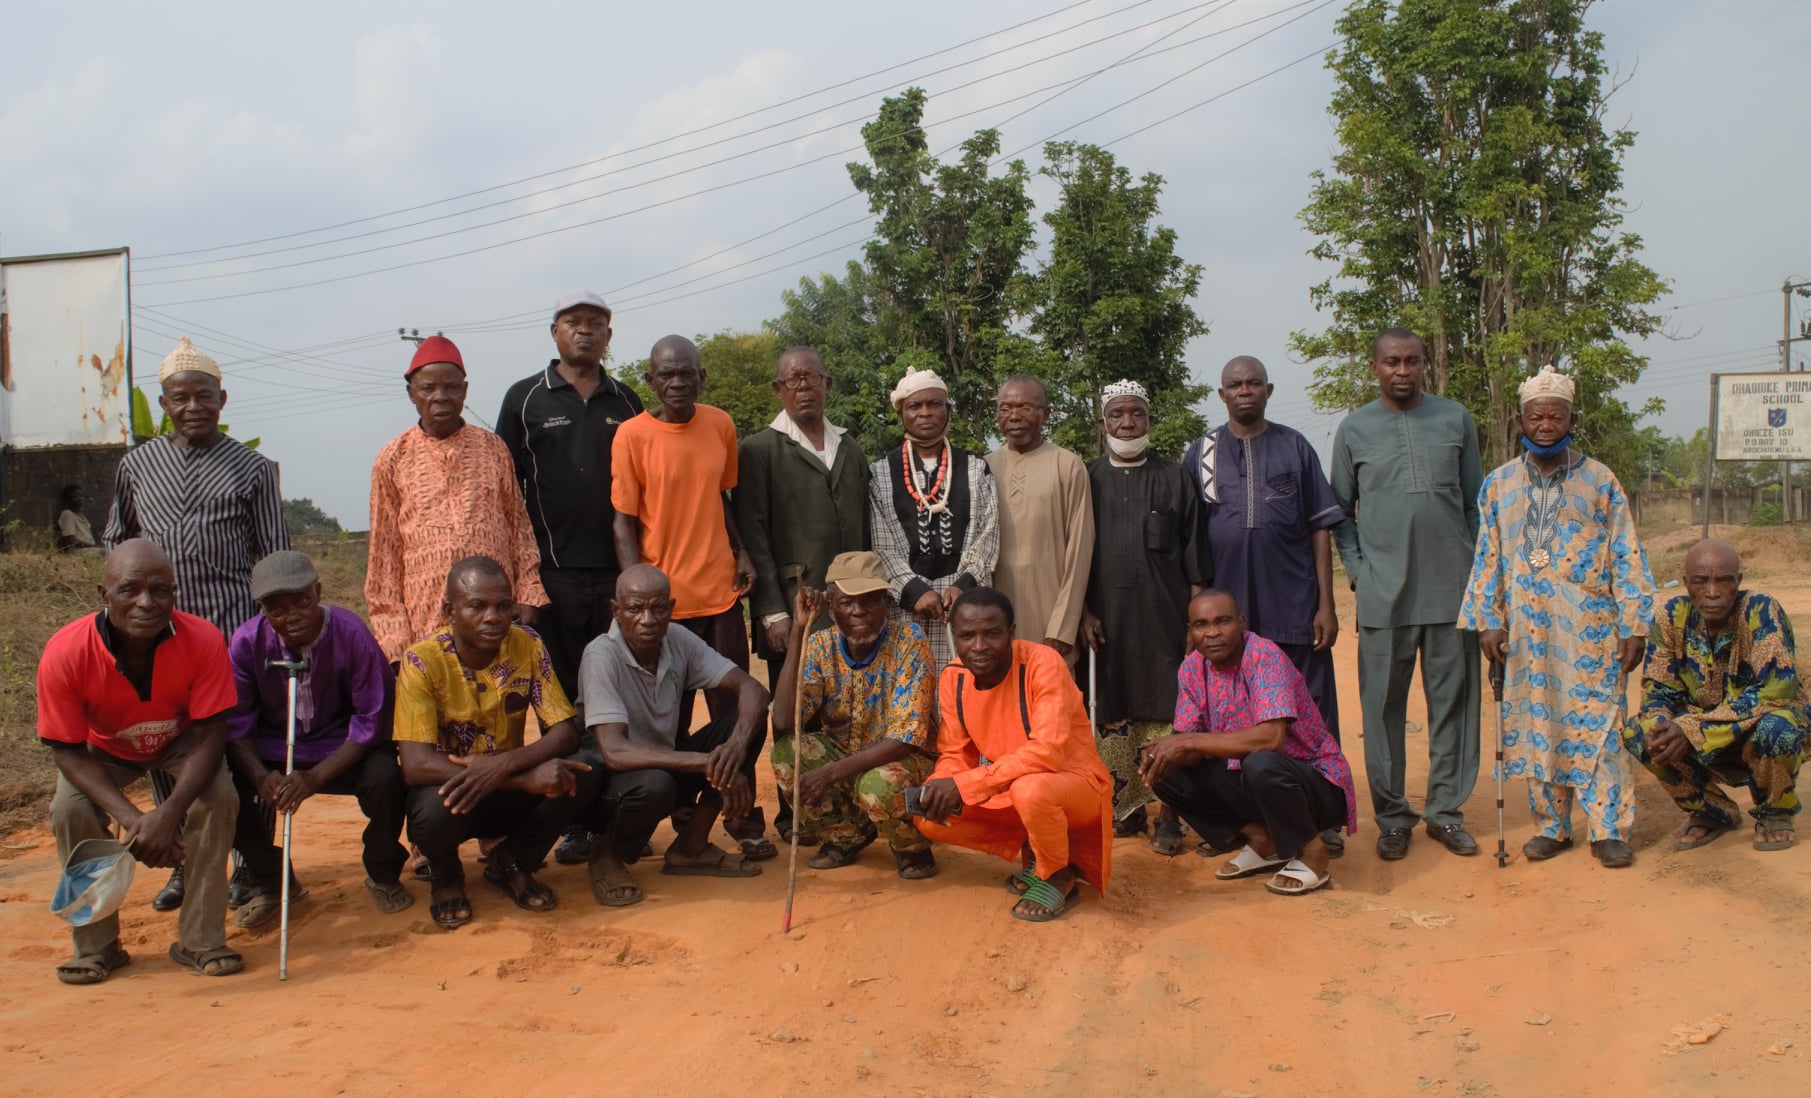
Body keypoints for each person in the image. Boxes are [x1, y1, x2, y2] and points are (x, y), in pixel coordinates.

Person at [103, 336, 289, 911]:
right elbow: (116, 541)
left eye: (203, 397)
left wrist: (273, 631)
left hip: (233, 633)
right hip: (158, 636)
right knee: (167, 740)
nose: (192, 408)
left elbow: (273, 556)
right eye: (179, 398)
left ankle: (249, 866)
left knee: (237, 743)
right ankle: (180, 858)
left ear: (222, 399)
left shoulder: (254, 469)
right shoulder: (135, 466)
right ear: (163, 403)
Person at [1460, 366, 1654, 868]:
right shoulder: (1498, 484)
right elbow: (1487, 556)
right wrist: (1488, 619)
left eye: (1556, 415)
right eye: (1536, 416)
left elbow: (1627, 553)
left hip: (1592, 629)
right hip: (1526, 632)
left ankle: (1608, 828)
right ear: (1521, 419)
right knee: (1536, 723)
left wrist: (1634, 622)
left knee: (1601, 725)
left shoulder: (1601, 480)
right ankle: (1553, 826)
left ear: (1571, 418)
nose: (1546, 424)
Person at [38, 539, 242, 982]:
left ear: (175, 594)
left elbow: (211, 735)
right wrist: (137, 822)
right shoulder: (66, 650)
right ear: (103, 594)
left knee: (219, 797)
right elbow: (67, 750)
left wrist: (168, 814)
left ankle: (200, 940)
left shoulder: (203, 639)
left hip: (182, 739)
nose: (146, 602)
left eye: (161, 590)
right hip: (103, 750)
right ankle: (97, 946)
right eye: (130, 589)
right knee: (70, 809)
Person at [496, 291, 644, 865]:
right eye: (573, 323)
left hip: (615, 578)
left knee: (610, 694)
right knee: (558, 704)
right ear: (553, 332)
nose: (585, 332)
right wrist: (519, 581)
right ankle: (571, 817)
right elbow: (506, 494)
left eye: (596, 324)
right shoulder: (524, 399)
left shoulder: (626, 400)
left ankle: (608, 808)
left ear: (609, 334)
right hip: (549, 578)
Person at [611, 334, 771, 859]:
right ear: (651, 381)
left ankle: (740, 813)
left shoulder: (720, 424)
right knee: (669, 721)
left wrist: (741, 550)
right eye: (666, 374)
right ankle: (680, 815)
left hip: (720, 594)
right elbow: (623, 522)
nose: (677, 382)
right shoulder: (632, 435)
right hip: (665, 611)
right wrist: (638, 598)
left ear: (701, 377)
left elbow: (721, 498)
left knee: (736, 714)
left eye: (687, 373)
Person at [1330, 328, 1484, 861]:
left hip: (1452, 591)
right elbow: (1340, 515)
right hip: (1382, 596)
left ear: (1425, 365)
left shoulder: (1454, 418)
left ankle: (1446, 813)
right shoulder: (1354, 429)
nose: (1402, 370)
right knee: (1381, 711)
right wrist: (1358, 574)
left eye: (1412, 361)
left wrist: (1476, 575)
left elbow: (1472, 504)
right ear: (1374, 367)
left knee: (1454, 709)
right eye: (1392, 362)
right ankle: (1392, 818)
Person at [1184, 356, 1347, 855]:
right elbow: (1191, 539)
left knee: (1308, 708)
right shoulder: (1202, 453)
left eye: (1254, 382)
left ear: (1269, 390)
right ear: (1221, 393)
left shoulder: (1294, 446)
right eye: (1235, 384)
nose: (1245, 390)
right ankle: (1247, 817)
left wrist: (1326, 602)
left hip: (1293, 601)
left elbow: (1320, 527)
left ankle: (1323, 816)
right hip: (1229, 611)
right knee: (1230, 713)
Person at [394, 557, 591, 930]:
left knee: (579, 776)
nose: (493, 617)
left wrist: (504, 764)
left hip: (505, 792)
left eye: (503, 606)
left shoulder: (528, 644)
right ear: (449, 610)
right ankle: (447, 875)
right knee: (429, 811)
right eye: (477, 606)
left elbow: (564, 731)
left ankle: (510, 861)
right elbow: (416, 764)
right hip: (455, 795)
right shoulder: (422, 661)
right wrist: (517, 777)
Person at [225, 550, 410, 927]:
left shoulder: (351, 633)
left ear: (319, 592)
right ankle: (271, 878)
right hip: (275, 749)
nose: (291, 617)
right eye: (276, 609)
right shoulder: (246, 644)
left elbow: (371, 720)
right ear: (261, 608)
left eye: (302, 603)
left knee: (385, 776)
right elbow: (236, 723)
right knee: (222, 785)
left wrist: (315, 778)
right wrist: (260, 775)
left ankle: (382, 870)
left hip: (342, 748)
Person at [735, 345, 871, 844]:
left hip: (853, 605)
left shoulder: (849, 447)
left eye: (812, 378)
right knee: (795, 709)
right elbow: (752, 531)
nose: (803, 387)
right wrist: (770, 610)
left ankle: (848, 808)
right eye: (792, 380)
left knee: (847, 706)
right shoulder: (757, 449)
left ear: (828, 384)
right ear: (777, 389)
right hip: (795, 605)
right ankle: (795, 815)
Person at [576, 564, 773, 906]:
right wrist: (707, 761)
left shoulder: (677, 639)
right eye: (636, 609)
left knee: (748, 723)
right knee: (656, 783)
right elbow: (614, 752)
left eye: (658, 608)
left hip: (664, 767)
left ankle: (690, 846)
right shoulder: (600, 654)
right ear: (616, 611)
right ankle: (606, 853)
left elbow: (752, 689)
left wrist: (735, 749)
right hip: (611, 786)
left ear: (671, 608)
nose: (648, 619)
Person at [913, 588, 1114, 921]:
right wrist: (941, 782)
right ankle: (1038, 848)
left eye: (991, 634)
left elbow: (1047, 753)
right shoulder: (953, 677)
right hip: (1012, 787)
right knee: (926, 815)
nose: (978, 647)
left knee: (1030, 790)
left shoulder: (1042, 663)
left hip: (1077, 788)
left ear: (1011, 632)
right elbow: (954, 752)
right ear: (954, 636)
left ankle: (1058, 873)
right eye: (967, 636)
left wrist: (966, 785)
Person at [1143, 590, 1357, 896]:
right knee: (1166, 770)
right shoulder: (1191, 669)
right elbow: (1191, 750)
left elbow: (1272, 738)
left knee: (1260, 762)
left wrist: (1189, 741)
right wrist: (1169, 749)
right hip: (1255, 781)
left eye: (1223, 621)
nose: (1213, 632)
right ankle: (1263, 841)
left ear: (1241, 623)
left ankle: (1312, 852)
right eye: (1201, 624)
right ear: (1190, 631)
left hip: (1314, 786)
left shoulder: (1263, 656)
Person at [1079, 379, 1209, 853]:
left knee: (1170, 715)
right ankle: (1127, 810)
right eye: (1117, 414)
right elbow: (1075, 554)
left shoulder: (1175, 477)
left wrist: (1194, 623)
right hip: (1106, 624)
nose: (1127, 423)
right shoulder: (1086, 478)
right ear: (1103, 423)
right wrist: (1084, 612)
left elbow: (1196, 554)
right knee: (1112, 715)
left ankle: (1171, 817)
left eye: (1137, 414)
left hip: (1164, 622)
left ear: (1149, 421)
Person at [368, 335, 548, 667]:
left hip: (494, 619)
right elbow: (384, 556)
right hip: (425, 621)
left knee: (500, 710)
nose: (440, 397)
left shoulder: (493, 448)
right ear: (411, 394)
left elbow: (518, 526)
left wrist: (529, 593)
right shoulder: (392, 458)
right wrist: (394, 639)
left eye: (451, 387)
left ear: (464, 391)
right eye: (427, 388)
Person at [1624, 539, 1806, 853]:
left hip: (1760, 731)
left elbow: (1776, 691)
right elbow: (1658, 692)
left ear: (1738, 582)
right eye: (1700, 581)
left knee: (1779, 726)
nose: (1712, 592)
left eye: (1723, 580)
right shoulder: (1670, 617)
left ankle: (1776, 811)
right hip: (1705, 735)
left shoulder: (1761, 611)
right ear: (1686, 584)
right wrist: (1661, 725)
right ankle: (1712, 811)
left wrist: (1692, 728)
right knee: (1640, 732)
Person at [770, 551, 939, 878]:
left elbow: (905, 741)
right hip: (844, 757)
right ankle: (846, 835)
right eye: (847, 603)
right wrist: (797, 634)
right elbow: (783, 720)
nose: (858, 611)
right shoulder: (820, 645)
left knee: (879, 785)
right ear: (831, 609)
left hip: (905, 762)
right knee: (786, 753)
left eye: (870, 601)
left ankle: (911, 846)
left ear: (885, 605)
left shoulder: (909, 642)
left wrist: (830, 773)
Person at [869, 367, 998, 668]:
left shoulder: (976, 467)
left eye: (934, 404)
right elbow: (881, 544)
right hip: (904, 606)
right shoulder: (879, 472)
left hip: (964, 604)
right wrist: (915, 591)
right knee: (908, 692)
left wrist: (963, 586)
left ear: (947, 410)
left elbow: (988, 536)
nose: (925, 413)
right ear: (901, 414)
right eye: (915, 406)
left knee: (963, 687)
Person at [985, 376, 1093, 667]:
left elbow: (1080, 552)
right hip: (996, 616)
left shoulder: (1068, 465)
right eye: (1005, 408)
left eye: (1025, 407)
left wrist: (1063, 627)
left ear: (1046, 414)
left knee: (1049, 702)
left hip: (1050, 617)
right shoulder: (983, 467)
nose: (1014, 416)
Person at [54, 483, 101, 555]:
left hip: (90, 549)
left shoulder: (82, 516)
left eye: (80, 496)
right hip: (77, 551)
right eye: (74, 497)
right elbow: (70, 541)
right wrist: (94, 546)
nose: (79, 499)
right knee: (106, 553)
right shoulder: (67, 514)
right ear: (68, 500)